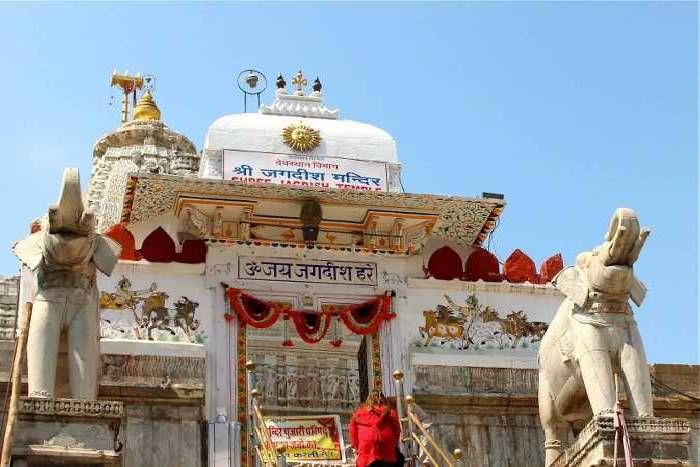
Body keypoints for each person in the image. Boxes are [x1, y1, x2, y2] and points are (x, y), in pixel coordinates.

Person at [349, 389, 402, 467]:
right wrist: (392, 443)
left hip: (366, 446)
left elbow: (353, 433)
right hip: (386, 447)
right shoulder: (390, 412)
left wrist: (357, 448)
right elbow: (397, 431)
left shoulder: (359, 413)